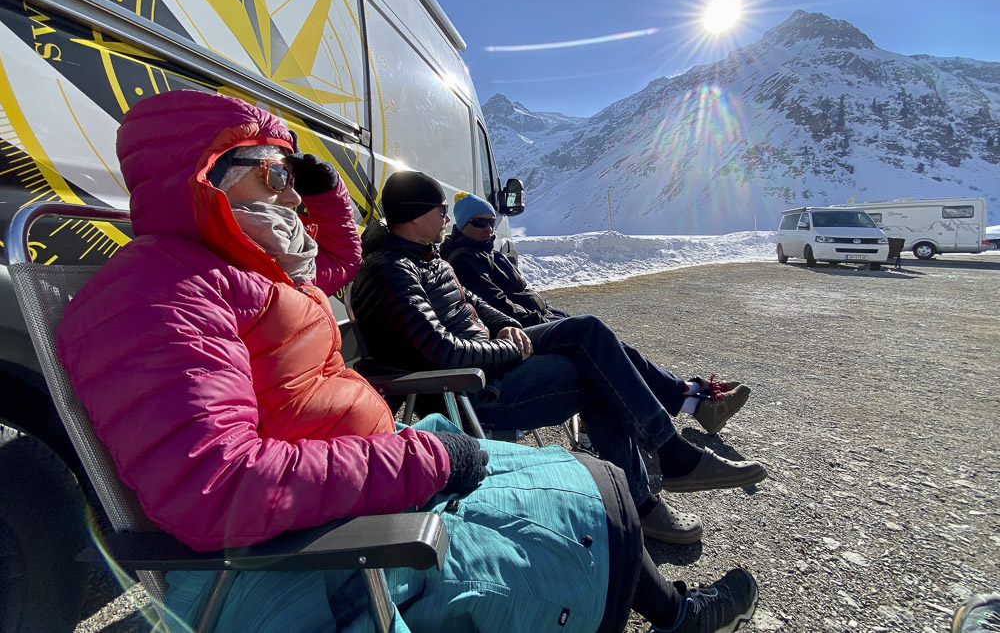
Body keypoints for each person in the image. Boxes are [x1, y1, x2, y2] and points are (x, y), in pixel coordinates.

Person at [55, 90, 758, 633]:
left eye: (292, 176)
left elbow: (333, 266)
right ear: (204, 175)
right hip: (303, 538)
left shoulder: (242, 269)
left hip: (353, 469)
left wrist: (324, 194)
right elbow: (217, 485)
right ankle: (674, 598)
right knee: (582, 481)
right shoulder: (161, 291)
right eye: (274, 173)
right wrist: (427, 460)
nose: (292, 194)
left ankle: (667, 541)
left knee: (591, 466)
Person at [350, 170, 768, 548]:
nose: (447, 217)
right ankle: (653, 486)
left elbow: (472, 302)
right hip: (467, 388)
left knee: (587, 330)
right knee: (596, 378)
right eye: (440, 210)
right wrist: (509, 348)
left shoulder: (427, 257)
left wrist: (501, 326)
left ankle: (667, 459)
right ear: (414, 214)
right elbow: (441, 353)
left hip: (492, 358)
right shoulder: (390, 270)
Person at [439, 191, 750, 436]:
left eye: (491, 220)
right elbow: (499, 308)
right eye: (478, 223)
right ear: (462, 225)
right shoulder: (465, 259)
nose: (488, 227)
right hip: (522, 333)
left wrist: (549, 314)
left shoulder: (489, 254)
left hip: (538, 319)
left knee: (610, 345)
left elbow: (522, 296)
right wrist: (547, 321)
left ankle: (692, 399)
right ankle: (689, 399)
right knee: (596, 340)